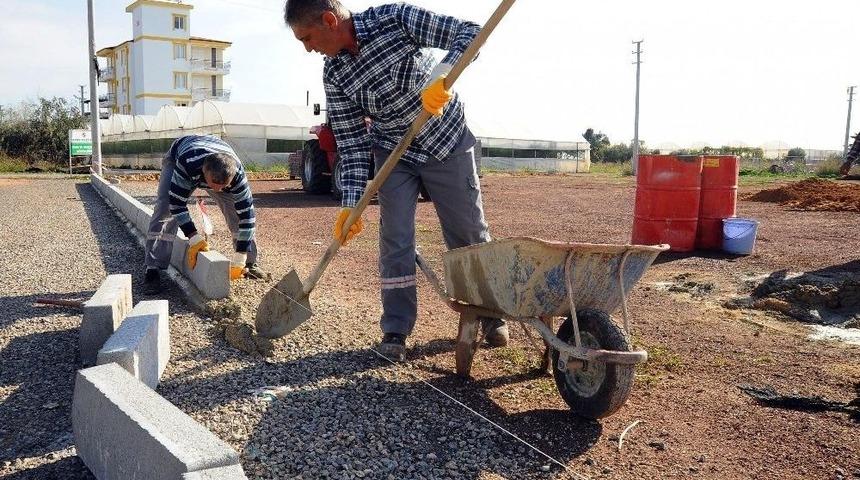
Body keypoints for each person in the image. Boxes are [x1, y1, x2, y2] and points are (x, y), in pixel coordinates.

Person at [283, 0, 507, 361]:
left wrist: (442, 74)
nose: (308, 48)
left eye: (307, 38)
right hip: (395, 155)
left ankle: (490, 313)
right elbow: (353, 144)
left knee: (467, 233)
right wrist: (350, 205)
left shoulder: (395, 19)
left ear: (329, 20)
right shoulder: (335, 74)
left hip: (445, 140)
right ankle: (397, 326)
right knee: (395, 238)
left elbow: (471, 34)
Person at [143, 134, 266, 294]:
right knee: (165, 208)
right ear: (204, 172)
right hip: (179, 155)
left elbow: (247, 217)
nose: (216, 191)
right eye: (213, 184)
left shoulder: (237, 176)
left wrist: (240, 256)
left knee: (236, 211)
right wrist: (193, 237)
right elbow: (177, 204)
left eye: (223, 186)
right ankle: (152, 268)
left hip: (217, 162)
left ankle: (249, 263)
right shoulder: (188, 165)